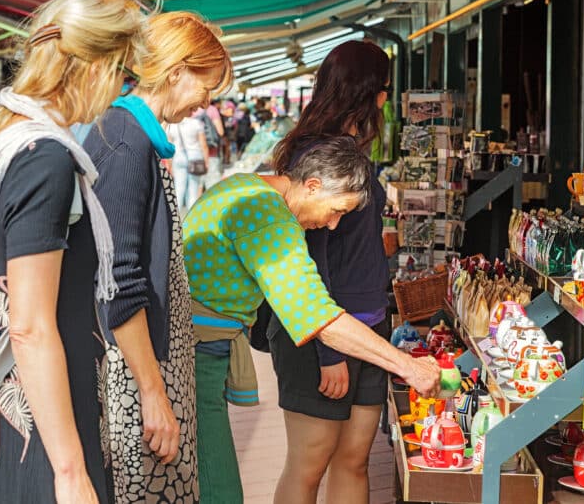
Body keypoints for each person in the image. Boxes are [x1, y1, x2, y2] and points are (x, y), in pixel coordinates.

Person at [0, 0, 145, 504]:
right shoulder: (46, 156)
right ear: (93, 67)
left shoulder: (6, 135)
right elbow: (32, 325)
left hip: (12, 399)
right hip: (39, 411)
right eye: (122, 73)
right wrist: (69, 468)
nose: (118, 91)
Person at [182, 137, 441, 504]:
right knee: (218, 489)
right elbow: (317, 315)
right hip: (198, 351)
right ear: (313, 185)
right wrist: (407, 366)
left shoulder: (248, 188)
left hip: (197, 346)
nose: (333, 225)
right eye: (336, 210)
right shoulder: (269, 217)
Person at [84, 11, 232, 503]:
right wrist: (153, 393)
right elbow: (120, 282)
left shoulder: (138, 137)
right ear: (176, 72)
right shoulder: (126, 143)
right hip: (135, 374)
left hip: (150, 367)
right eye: (205, 87)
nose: (207, 103)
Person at [267, 40, 392, 504]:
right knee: (309, 462)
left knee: (354, 458)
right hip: (320, 334)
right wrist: (327, 351)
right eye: (383, 89)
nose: (386, 99)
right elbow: (308, 260)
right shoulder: (318, 157)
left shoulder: (351, 151)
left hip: (370, 324)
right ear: (366, 92)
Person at [168, 111, 209, 213]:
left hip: (178, 156)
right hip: (195, 156)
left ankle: (175, 218)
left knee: (179, 188)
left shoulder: (172, 125)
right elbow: (203, 144)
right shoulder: (196, 123)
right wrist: (206, 161)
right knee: (193, 189)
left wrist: (170, 165)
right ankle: (192, 218)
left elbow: (169, 146)